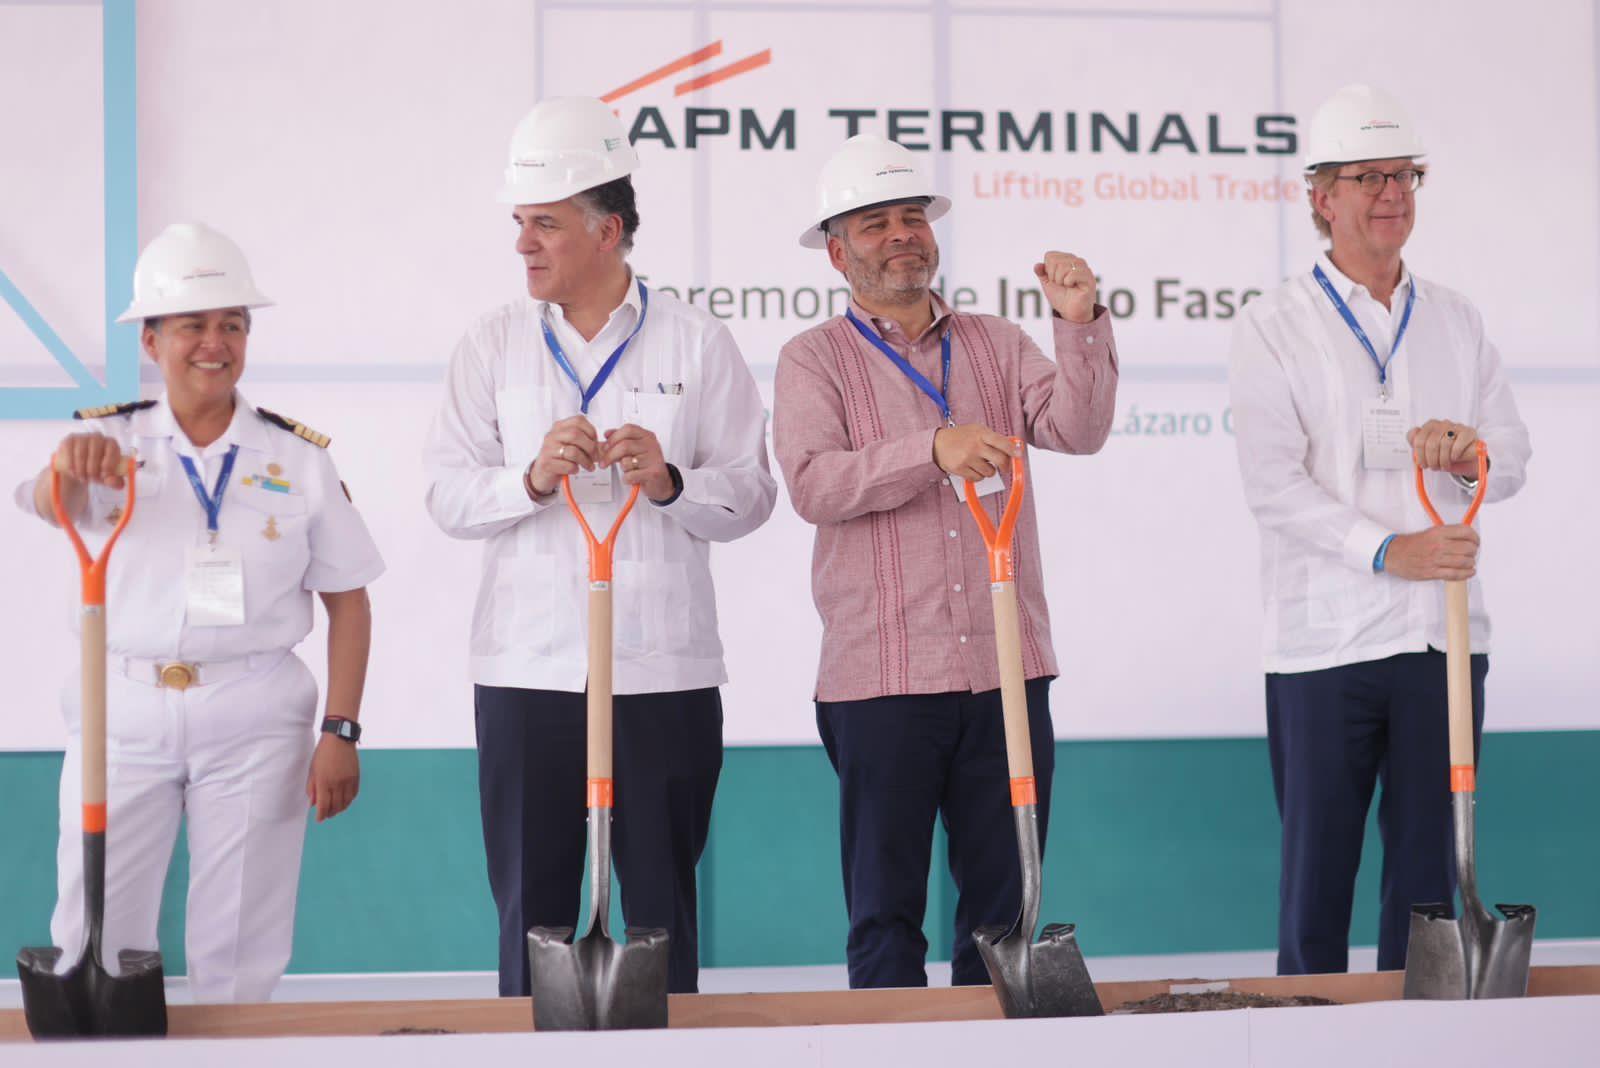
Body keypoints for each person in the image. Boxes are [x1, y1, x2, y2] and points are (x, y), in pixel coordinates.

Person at [422, 96, 776, 996]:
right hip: (527, 673)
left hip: (663, 674)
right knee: (531, 916)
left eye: (544, 224)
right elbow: (446, 497)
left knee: (661, 914)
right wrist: (530, 480)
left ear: (607, 229)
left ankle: (666, 1052)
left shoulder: (697, 342)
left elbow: (752, 495)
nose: (523, 245)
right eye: (519, 223)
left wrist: (673, 482)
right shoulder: (491, 345)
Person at [771, 134, 1119, 988]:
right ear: (837, 252)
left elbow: (1079, 430)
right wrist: (931, 449)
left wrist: (1079, 323)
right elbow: (814, 484)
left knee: (1005, 913)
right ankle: (886, 1045)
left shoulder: (996, 343)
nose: (902, 234)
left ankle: (994, 1045)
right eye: (875, 222)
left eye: (913, 217)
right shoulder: (813, 358)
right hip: (881, 678)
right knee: (884, 914)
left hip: (1008, 671)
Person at [16, 221, 383, 1002]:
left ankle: (232, 1052)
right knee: (94, 933)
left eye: (232, 325)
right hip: (123, 708)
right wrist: (66, 470)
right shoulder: (106, 439)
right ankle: (103, 1051)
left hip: (255, 709)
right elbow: (51, 502)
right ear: (151, 341)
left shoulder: (298, 458)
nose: (215, 344)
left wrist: (341, 730)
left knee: (241, 943)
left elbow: (350, 602)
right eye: (192, 325)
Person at [1228, 84, 1531, 975]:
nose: (1392, 193)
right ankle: (1305, 1034)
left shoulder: (1456, 318)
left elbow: (1511, 455)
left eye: (1405, 175)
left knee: (1431, 887)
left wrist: (1471, 454)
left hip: (1443, 640)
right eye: (1369, 177)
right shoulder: (1273, 324)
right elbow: (1272, 485)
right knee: (1316, 885)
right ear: (1321, 197)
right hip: (1324, 645)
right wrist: (1390, 549)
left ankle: (1420, 1034)